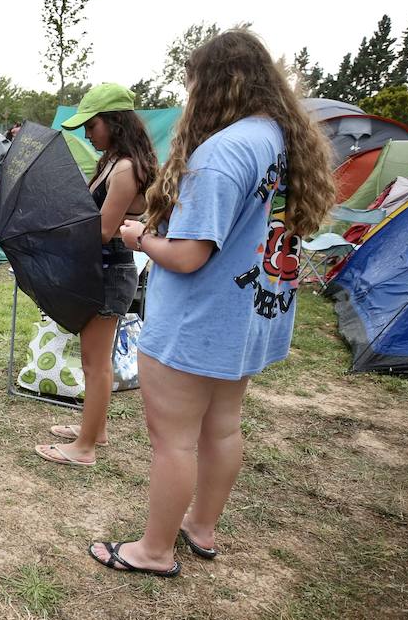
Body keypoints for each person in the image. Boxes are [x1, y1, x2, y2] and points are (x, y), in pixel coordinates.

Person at [89, 30, 334, 577]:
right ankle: (200, 526)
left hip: (199, 320)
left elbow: (189, 255)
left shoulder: (223, 151)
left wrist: (138, 239)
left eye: (191, 84)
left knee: (172, 440)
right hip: (248, 313)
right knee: (222, 427)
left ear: (215, 84)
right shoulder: (281, 138)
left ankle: (153, 552)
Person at [35, 83, 156, 468]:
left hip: (112, 271)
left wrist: (57, 229)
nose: (88, 134)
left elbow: (103, 230)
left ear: (114, 122)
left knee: (95, 362)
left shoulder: (124, 168)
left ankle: (85, 448)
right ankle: (95, 430)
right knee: (92, 359)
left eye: (92, 125)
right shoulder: (111, 162)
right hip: (98, 270)